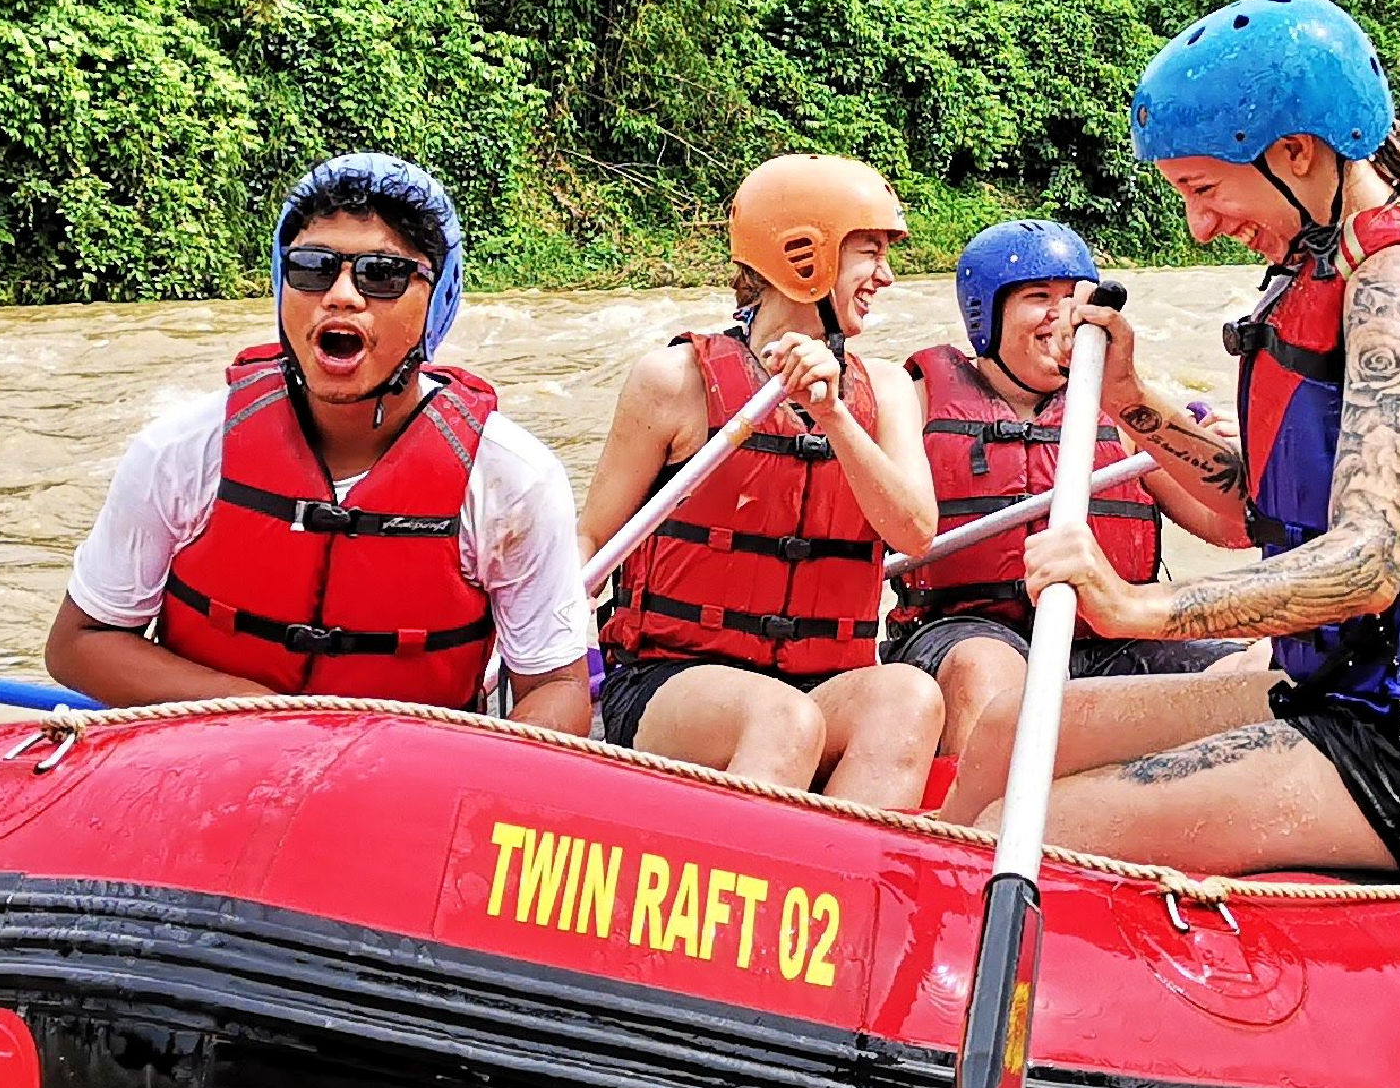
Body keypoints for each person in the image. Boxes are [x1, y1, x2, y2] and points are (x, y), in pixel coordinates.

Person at [941, 0, 1400, 887]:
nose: (1201, 226)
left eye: (1203, 190)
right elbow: (1261, 516)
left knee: (1031, 822)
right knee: (1011, 730)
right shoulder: (1332, 268)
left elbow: (1366, 563)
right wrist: (1132, 400)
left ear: (1295, 153)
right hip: (1361, 686)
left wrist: (1139, 609)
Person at [47, 152, 594, 730]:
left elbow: (557, 686)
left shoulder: (511, 479)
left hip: (406, 782)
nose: (341, 296)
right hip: (209, 761)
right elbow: (80, 643)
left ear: (437, 301)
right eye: (311, 269)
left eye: (381, 275)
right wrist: (269, 717)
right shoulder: (182, 449)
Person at [581, 155, 947, 804]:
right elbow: (591, 543)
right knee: (781, 717)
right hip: (674, 682)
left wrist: (833, 414)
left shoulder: (886, 390)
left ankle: (850, 890)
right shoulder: (674, 381)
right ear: (803, 255)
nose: (886, 276)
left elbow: (914, 531)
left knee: (908, 694)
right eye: (868, 252)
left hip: (825, 680)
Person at [890, 219, 1234, 759]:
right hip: (966, 631)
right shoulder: (912, 404)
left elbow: (1229, 525)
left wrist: (1240, 461)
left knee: (1256, 668)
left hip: (1113, 637)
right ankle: (977, 822)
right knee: (986, 669)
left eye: (1073, 297)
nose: (1062, 313)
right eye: (1038, 297)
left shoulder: (1125, 409)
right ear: (986, 315)